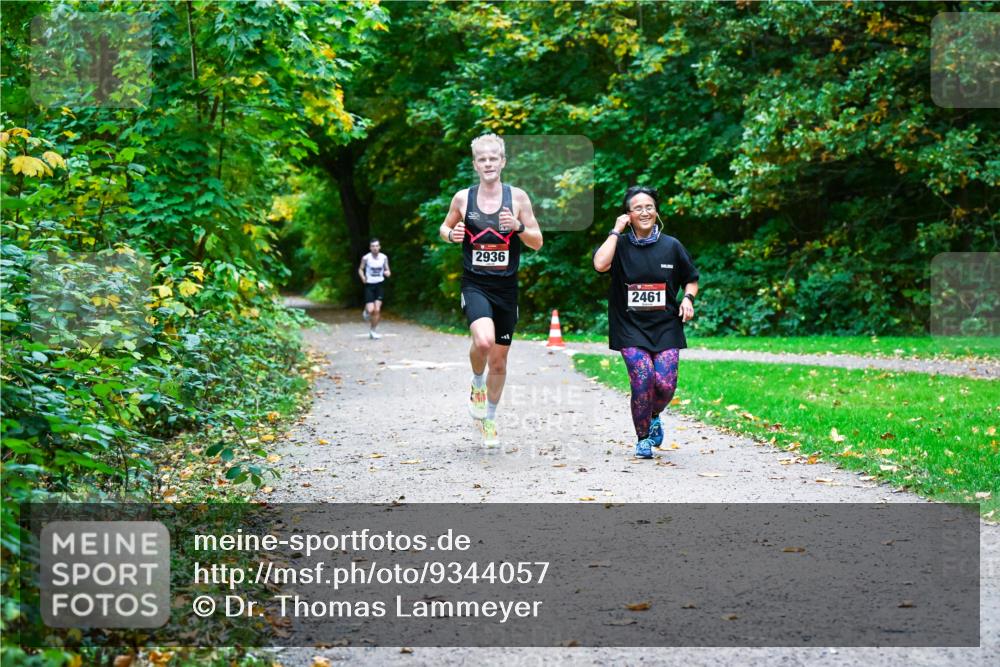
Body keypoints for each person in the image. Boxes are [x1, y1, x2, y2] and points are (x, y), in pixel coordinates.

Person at [438, 134, 543, 446]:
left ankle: (490, 420)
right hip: (476, 284)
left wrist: (519, 228)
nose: (487, 163)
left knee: (499, 361)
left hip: (506, 289)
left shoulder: (518, 198)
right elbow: (444, 228)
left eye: (493, 158)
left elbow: (537, 241)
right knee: (483, 341)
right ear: (475, 164)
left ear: (503, 162)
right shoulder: (462, 198)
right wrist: (450, 234)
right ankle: (476, 383)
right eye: (482, 159)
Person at [593, 185, 699, 459]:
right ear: (628, 214)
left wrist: (687, 298)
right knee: (643, 379)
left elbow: (691, 278)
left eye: (649, 206)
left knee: (665, 385)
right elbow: (599, 265)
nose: (644, 212)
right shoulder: (620, 245)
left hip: (666, 325)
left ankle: (652, 415)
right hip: (629, 326)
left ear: (656, 211)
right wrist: (616, 231)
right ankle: (643, 439)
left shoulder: (672, 246)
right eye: (637, 207)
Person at [358, 238, 390, 339]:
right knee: (371, 310)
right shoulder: (366, 258)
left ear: (379, 247)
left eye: (377, 246)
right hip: (369, 285)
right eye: (373, 246)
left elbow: (387, 270)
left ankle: (373, 331)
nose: (375, 248)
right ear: (370, 248)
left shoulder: (384, 257)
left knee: (377, 310)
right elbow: (360, 269)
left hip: (379, 285)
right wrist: (363, 277)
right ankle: (366, 311)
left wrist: (387, 273)